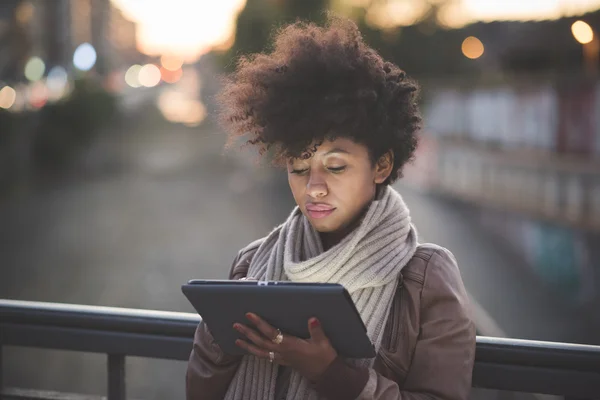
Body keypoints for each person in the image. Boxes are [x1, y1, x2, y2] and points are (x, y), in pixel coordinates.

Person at [186, 16, 475, 400]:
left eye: (336, 167)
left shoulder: (425, 280)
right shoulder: (251, 263)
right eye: (299, 168)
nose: (315, 187)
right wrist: (224, 333)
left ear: (382, 165)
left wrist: (330, 373)